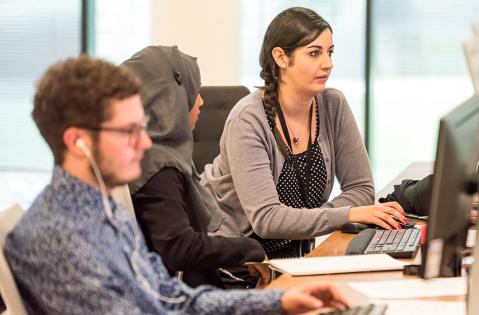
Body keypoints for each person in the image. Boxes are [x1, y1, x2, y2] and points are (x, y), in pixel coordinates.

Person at [3, 54, 348, 314]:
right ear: (78, 142)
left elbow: (170, 296)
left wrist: (278, 302)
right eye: (128, 131)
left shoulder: (104, 210)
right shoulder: (60, 237)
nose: (143, 143)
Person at [201, 7, 407, 258]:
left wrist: (311, 219)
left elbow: (361, 189)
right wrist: (347, 214)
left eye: (329, 52)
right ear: (281, 57)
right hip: (239, 263)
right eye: (314, 53)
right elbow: (267, 219)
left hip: (296, 257)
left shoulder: (333, 105)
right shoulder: (248, 120)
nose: (328, 64)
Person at [121, 46, 268, 289]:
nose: (201, 101)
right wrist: (248, 249)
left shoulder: (156, 155)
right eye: (194, 91)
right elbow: (179, 248)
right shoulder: (158, 165)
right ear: (171, 98)